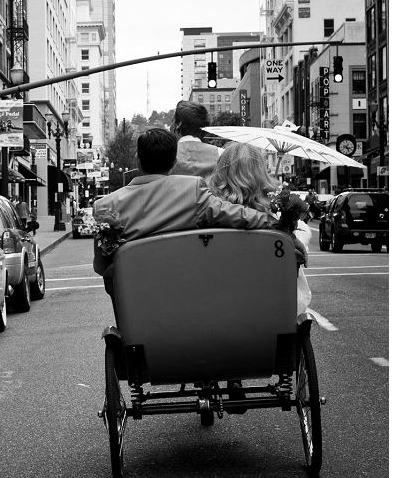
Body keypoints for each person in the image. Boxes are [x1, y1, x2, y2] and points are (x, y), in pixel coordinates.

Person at [92, 128, 276, 288]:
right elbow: (238, 215)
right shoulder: (193, 190)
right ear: (174, 162)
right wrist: (275, 222)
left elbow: (101, 267)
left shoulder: (105, 207)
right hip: (186, 288)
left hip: (135, 302)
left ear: (138, 160)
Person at [208, 143, 312, 319]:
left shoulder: (208, 212)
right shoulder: (282, 222)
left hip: (216, 309)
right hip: (274, 313)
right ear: (262, 173)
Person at [169, 100, 222, 178]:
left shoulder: (164, 156)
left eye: (172, 121)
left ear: (178, 124)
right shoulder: (222, 155)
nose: (170, 126)